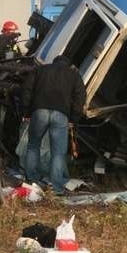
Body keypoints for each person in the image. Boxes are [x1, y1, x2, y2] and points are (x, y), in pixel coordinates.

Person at [22, 55, 86, 195]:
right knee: (58, 152)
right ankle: (56, 188)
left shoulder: (40, 70)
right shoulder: (74, 74)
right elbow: (80, 97)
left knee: (33, 145)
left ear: (54, 62)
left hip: (39, 112)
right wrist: (73, 119)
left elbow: (27, 90)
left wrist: (27, 112)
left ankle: (32, 180)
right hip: (61, 115)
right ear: (68, 64)